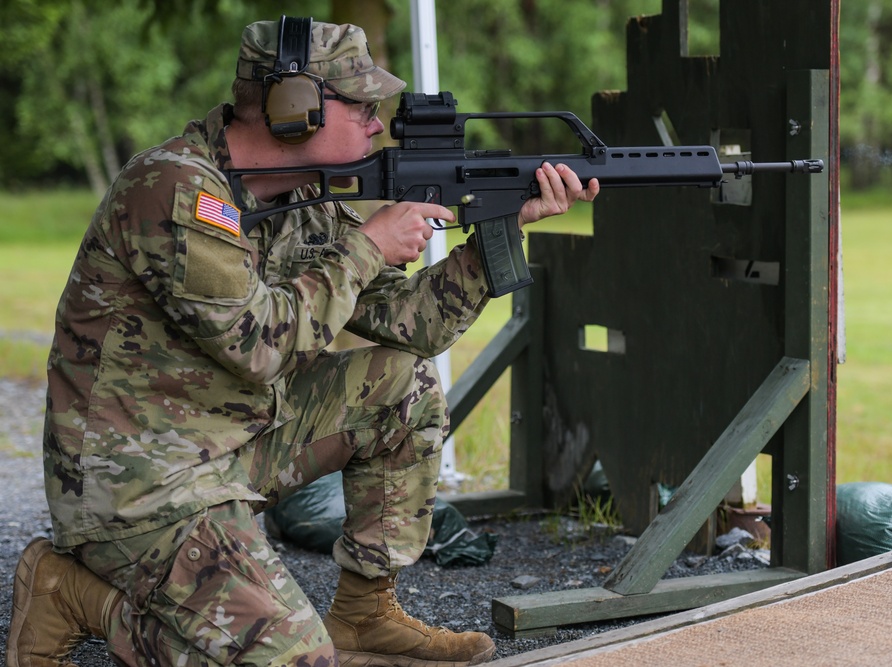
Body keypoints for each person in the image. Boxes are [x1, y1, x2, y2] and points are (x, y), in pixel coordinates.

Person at [5, 16, 599, 667]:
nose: (379, 123)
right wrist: (367, 246)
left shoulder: (306, 199)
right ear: (294, 109)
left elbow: (412, 325)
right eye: (363, 106)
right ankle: (75, 594)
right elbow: (256, 344)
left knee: (405, 383)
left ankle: (365, 615)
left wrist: (497, 237)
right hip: (134, 482)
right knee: (295, 660)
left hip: (232, 441)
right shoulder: (176, 190)